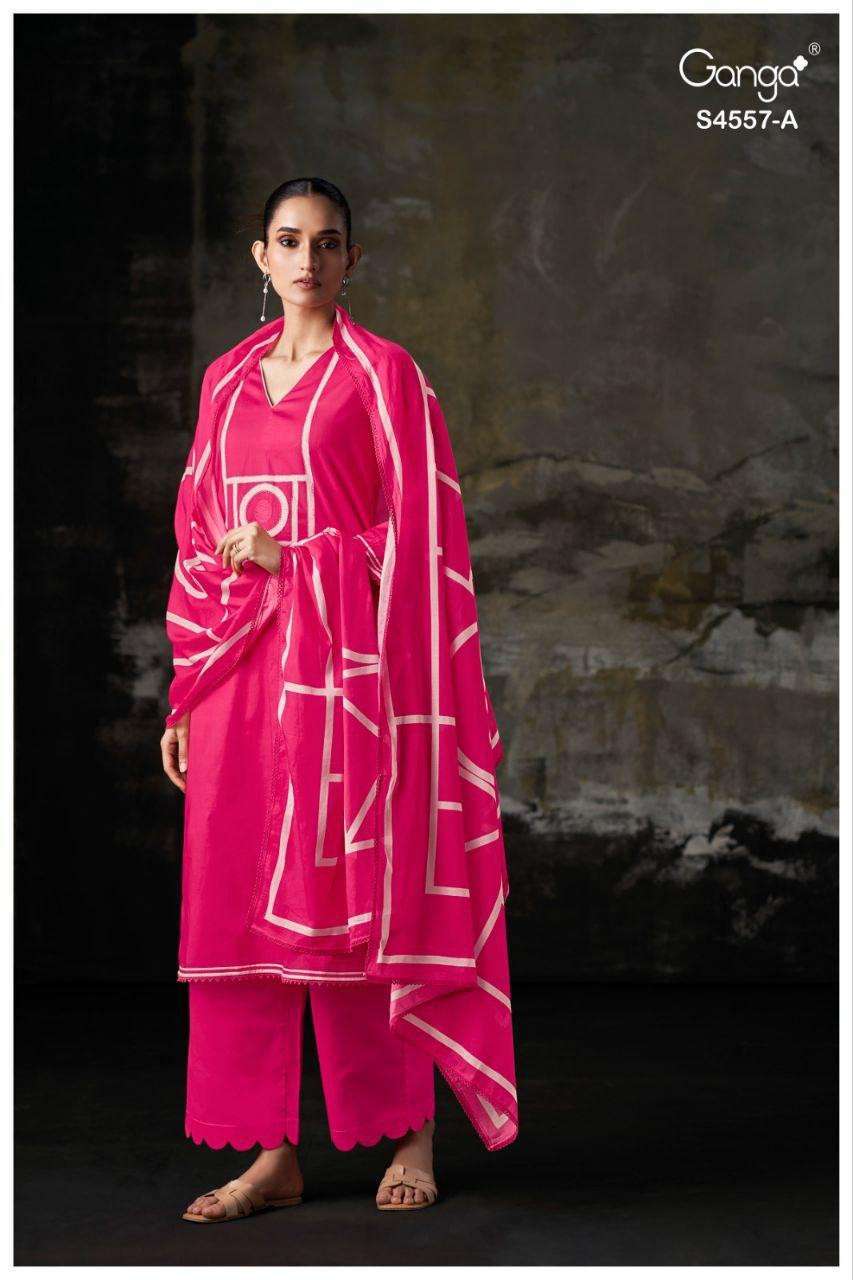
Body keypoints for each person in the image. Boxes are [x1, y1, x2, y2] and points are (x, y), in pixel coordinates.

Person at [160, 177, 518, 1223]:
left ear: (351, 259)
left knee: (357, 905)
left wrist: (298, 556)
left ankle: (407, 1131)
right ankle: (270, 1153)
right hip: (238, 681)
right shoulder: (227, 381)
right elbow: (194, 536)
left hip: (348, 687)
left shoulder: (383, 376)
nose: (307, 259)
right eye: (288, 240)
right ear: (260, 255)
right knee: (237, 913)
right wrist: (184, 691)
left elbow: (418, 542)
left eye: (326, 243)